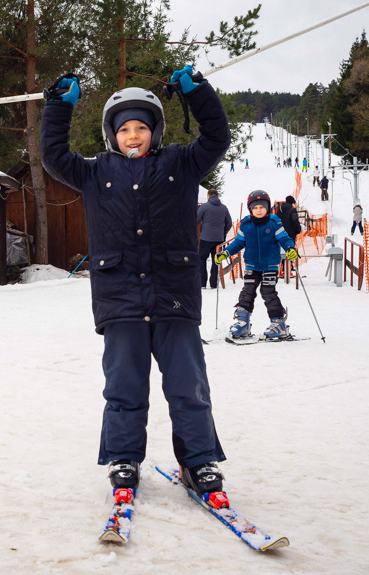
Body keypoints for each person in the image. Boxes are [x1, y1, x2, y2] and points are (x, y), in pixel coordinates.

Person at [40, 67, 230, 502]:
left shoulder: (182, 164)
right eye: (124, 128)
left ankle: (199, 460)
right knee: (124, 387)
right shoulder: (94, 173)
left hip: (173, 298)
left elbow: (216, 137)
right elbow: (53, 155)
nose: (132, 135)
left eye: (141, 127)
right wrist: (58, 106)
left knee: (188, 386)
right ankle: (124, 457)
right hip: (120, 298)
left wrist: (197, 92)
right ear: (112, 134)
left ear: (155, 131)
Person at [215, 190, 298, 340]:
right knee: (247, 292)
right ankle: (242, 323)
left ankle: (278, 323)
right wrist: (226, 253)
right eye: (255, 208)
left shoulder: (274, 222)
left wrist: (290, 248)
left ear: (267, 207)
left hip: (270, 265)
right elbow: (239, 242)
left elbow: (284, 238)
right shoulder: (246, 224)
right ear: (250, 209)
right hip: (252, 265)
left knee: (268, 292)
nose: (258, 210)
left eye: (262, 207)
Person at [197, 189, 233, 289]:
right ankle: (213, 284)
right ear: (217, 196)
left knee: (202, 259)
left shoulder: (204, 207)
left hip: (205, 238)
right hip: (219, 239)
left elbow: (196, 219)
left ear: (208, 196)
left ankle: (202, 283)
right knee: (216, 261)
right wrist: (223, 232)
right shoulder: (224, 208)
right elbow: (229, 223)